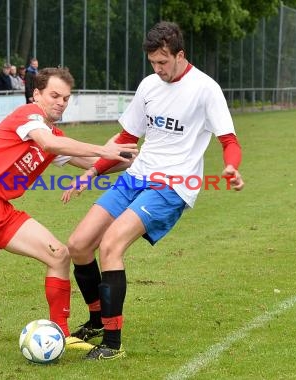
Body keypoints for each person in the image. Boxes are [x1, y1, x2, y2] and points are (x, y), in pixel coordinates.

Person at [0, 67, 138, 365]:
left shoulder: (53, 134)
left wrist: (132, 158)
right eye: (54, 95)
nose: (60, 102)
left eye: (66, 98)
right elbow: (48, 143)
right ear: (36, 94)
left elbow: (95, 162)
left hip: (0, 209)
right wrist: (105, 148)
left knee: (59, 255)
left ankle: (59, 335)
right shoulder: (28, 117)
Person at [62, 21, 245, 361]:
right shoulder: (149, 85)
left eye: (163, 62)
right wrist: (92, 171)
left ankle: (112, 344)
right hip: (138, 175)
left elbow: (229, 141)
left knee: (112, 244)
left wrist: (231, 167)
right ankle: (97, 320)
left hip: (174, 184)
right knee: (79, 244)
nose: (158, 69)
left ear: (180, 55)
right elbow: (126, 138)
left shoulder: (205, 89)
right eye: (153, 63)